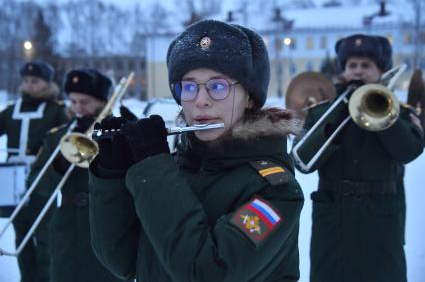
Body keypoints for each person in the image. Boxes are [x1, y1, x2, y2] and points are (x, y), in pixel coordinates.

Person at [88, 19, 304, 282]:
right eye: (189, 87)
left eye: (218, 86)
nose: (201, 100)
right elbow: (123, 261)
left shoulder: (275, 190)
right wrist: (112, 175)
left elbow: (206, 273)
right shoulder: (177, 169)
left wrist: (153, 167)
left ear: (249, 98)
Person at [293, 34, 424, 282]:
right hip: (333, 218)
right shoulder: (322, 110)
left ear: (380, 70)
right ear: (344, 70)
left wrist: (382, 116)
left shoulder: (395, 110)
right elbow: (303, 162)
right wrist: (339, 114)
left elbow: (409, 151)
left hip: (380, 218)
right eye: (352, 65)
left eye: (366, 66)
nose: (358, 72)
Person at [27, 68, 122, 282]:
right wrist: (57, 167)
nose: (78, 108)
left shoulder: (118, 133)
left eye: (85, 102)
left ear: (102, 102)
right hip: (68, 230)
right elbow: (37, 186)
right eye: (73, 101)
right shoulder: (57, 137)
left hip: (108, 225)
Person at [0, 60, 69, 282]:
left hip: (42, 178)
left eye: (35, 81)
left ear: (47, 83)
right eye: (26, 81)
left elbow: (68, 139)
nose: (29, 85)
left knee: (45, 235)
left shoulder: (56, 111)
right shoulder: (11, 110)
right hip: (13, 179)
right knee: (21, 234)